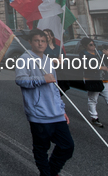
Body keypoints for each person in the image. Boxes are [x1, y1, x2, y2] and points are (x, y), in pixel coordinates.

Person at [15, 29, 74, 176]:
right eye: (37, 40)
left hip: (56, 112)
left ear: (47, 43)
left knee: (67, 146)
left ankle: (50, 173)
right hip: (38, 113)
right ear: (30, 42)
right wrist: (42, 79)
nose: (40, 43)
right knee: (41, 148)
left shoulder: (48, 60)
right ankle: (46, 173)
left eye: (43, 41)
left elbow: (54, 88)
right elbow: (20, 80)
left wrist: (62, 108)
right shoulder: (25, 59)